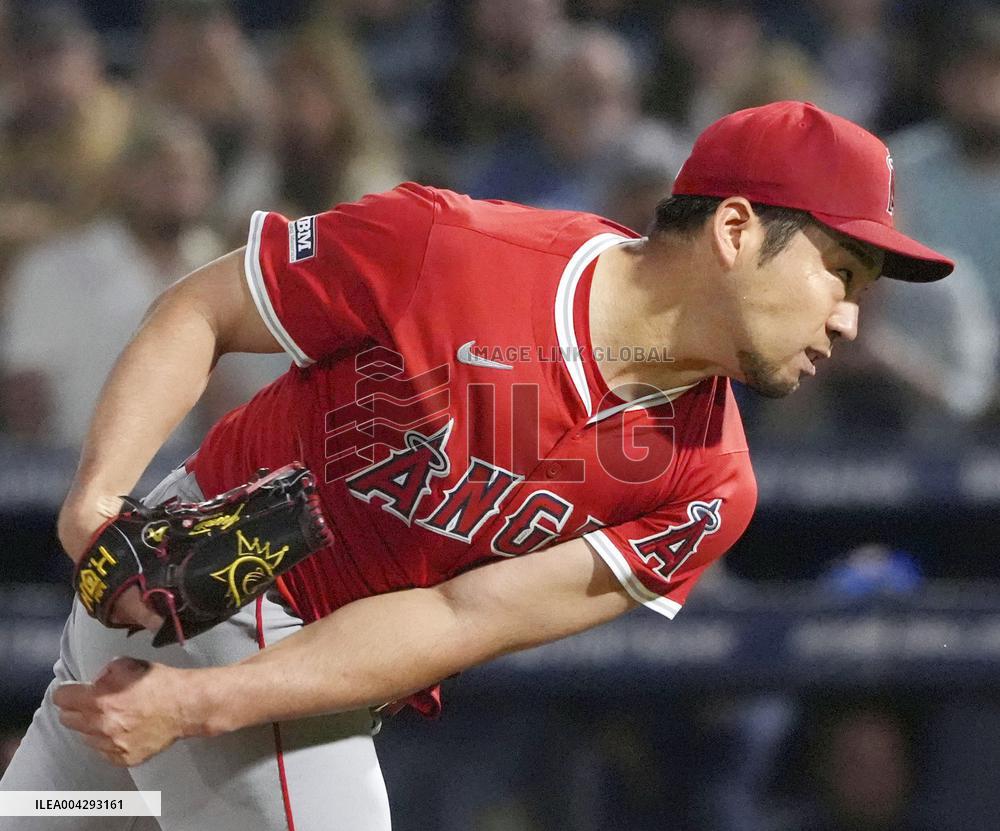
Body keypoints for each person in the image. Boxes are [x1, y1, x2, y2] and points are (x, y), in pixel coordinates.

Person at [0, 102, 953, 830]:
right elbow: (204, 309)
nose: (849, 317)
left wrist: (192, 704)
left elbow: (461, 617)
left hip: (292, 668)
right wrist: (95, 499)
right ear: (738, 230)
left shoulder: (708, 486)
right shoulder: (452, 249)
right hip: (200, 562)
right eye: (839, 270)